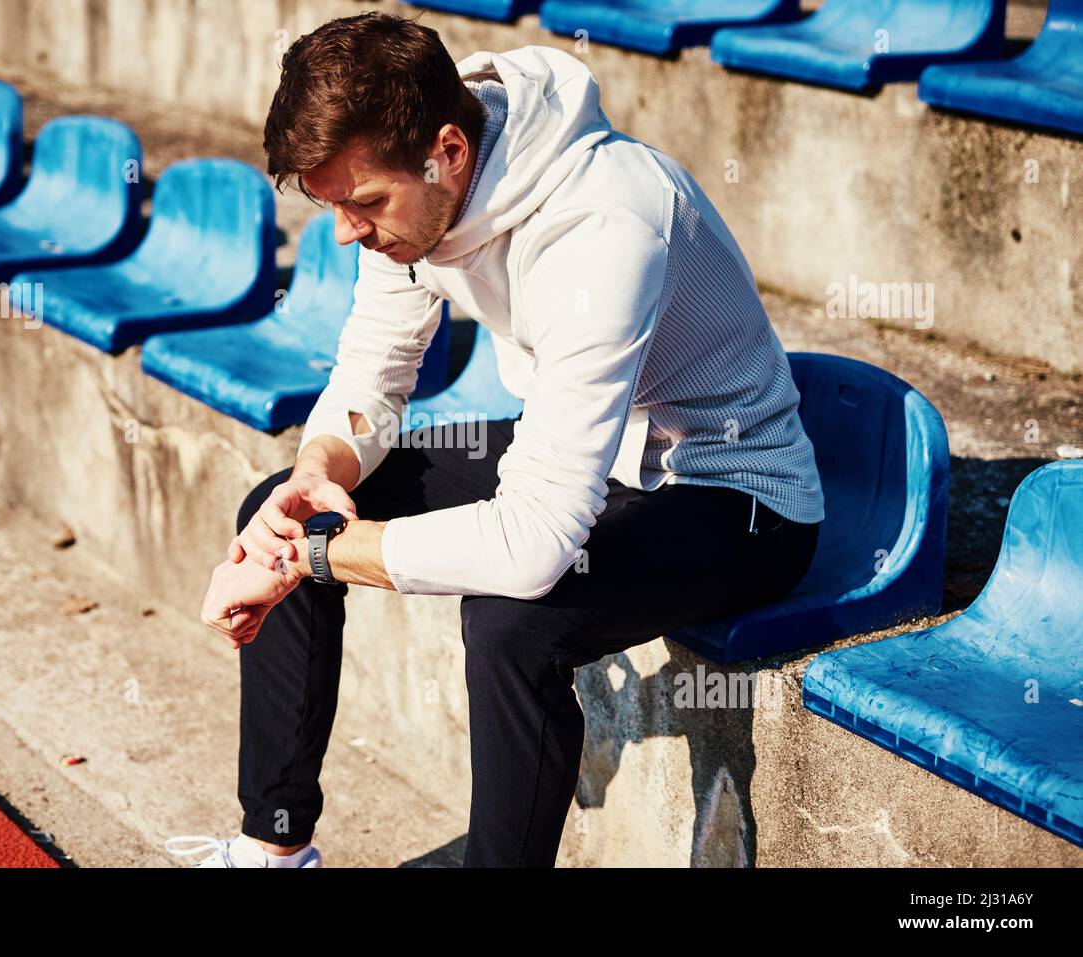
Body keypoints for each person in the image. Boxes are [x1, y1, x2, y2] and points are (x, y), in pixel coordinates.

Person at [166, 10, 824, 869]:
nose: (346, 232)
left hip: (735, 494)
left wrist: (315, 559)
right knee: (279, 504)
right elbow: (373, 374)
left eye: (362, 204)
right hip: (598, 450)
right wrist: (318, 479)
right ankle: (274, 848)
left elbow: (535, 544)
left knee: (513, 618)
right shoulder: (413, 193)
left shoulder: (605, 224)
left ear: (450, 149)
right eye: (332, 208)